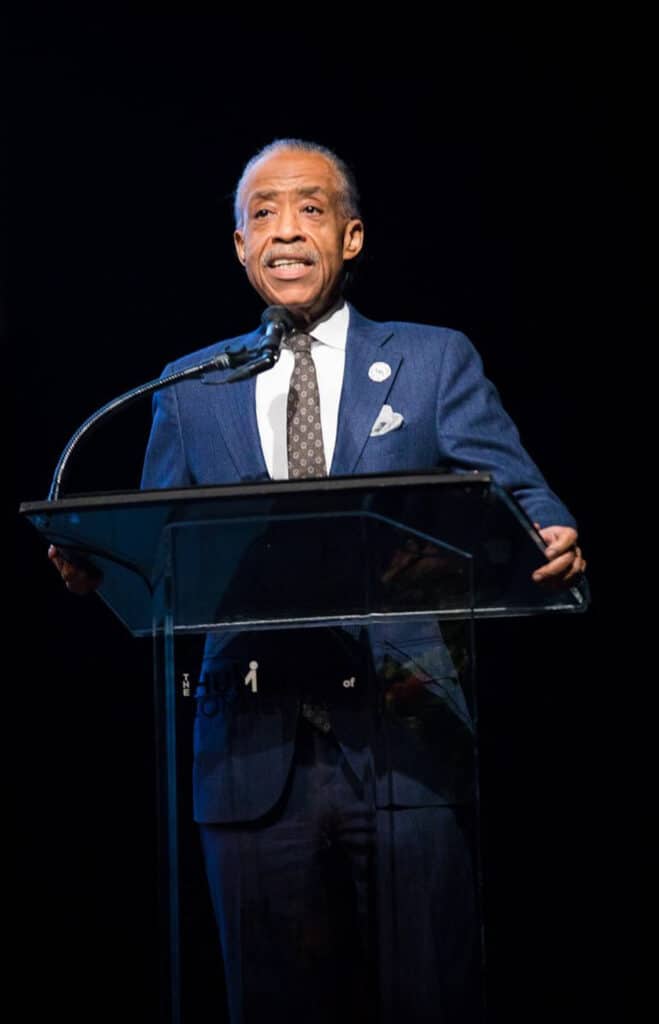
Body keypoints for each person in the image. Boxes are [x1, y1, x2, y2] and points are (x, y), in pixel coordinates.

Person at [49, 138, 586, 1023]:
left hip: (405, 737)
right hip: (248, 751)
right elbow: (161, 545)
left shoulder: (431, 360)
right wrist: (99, 565)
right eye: (262, 213)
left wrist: (553, 530)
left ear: (351, 236)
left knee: (431, 995)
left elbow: (521, 495)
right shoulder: (190, 384)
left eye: (309, 208)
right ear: (239, 246)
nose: (286, 230)